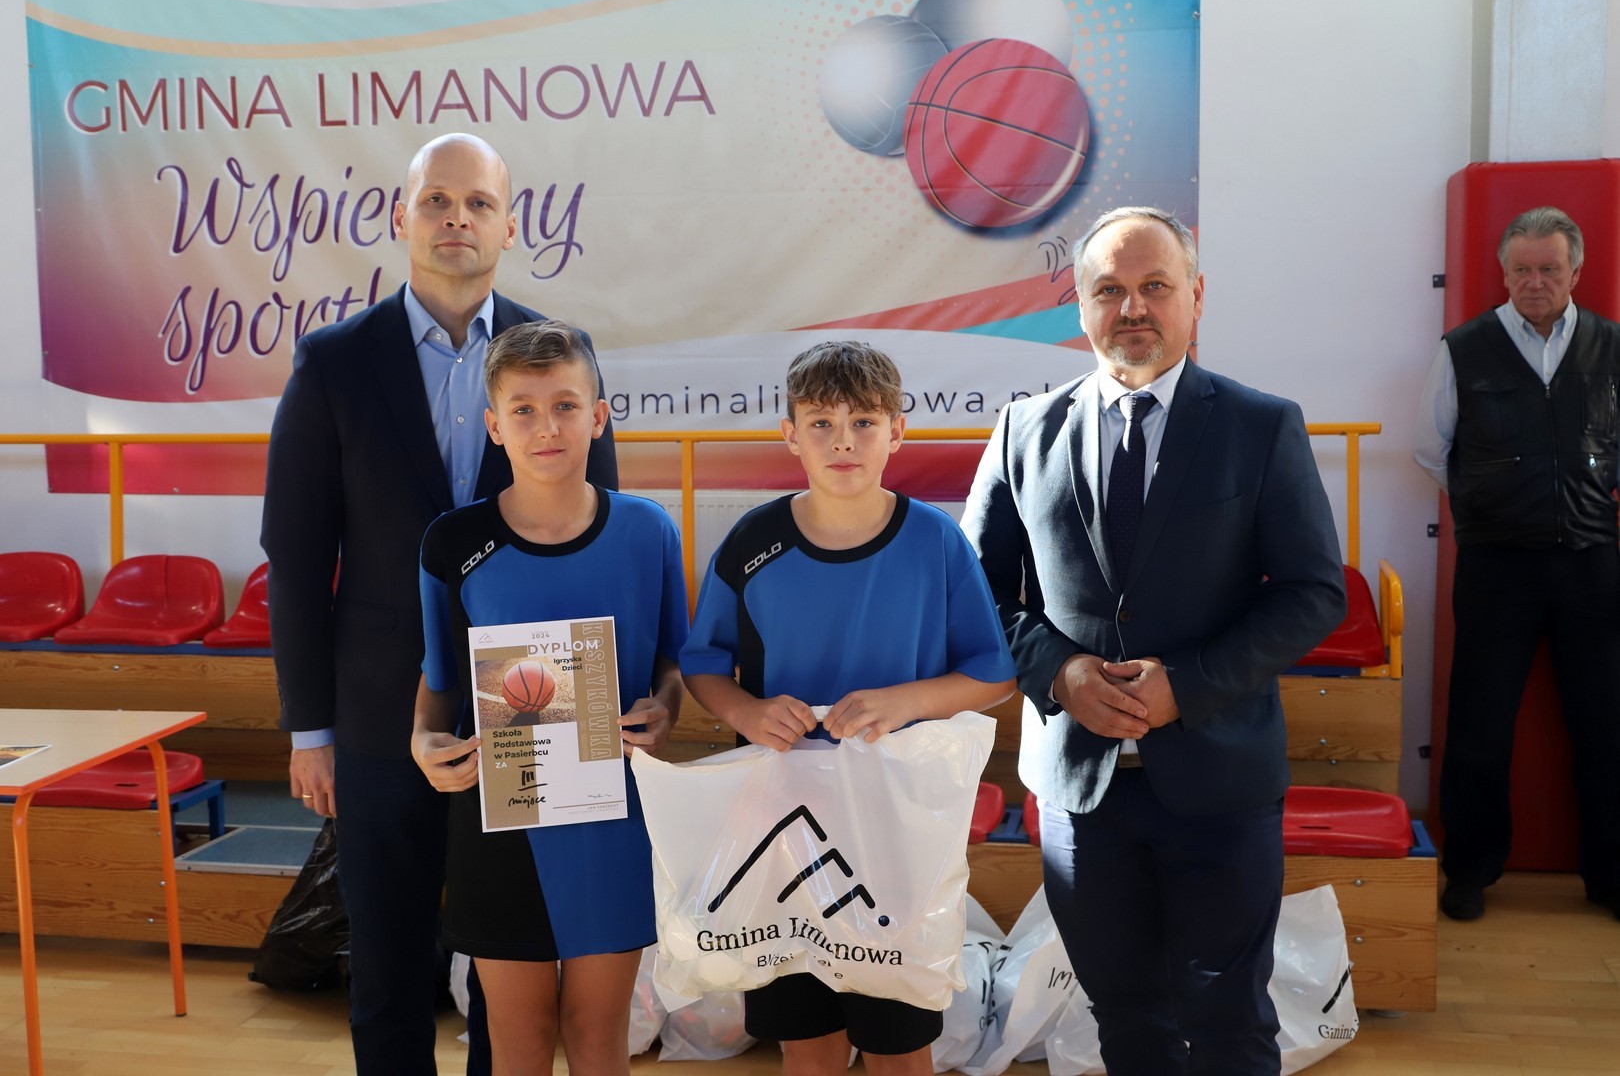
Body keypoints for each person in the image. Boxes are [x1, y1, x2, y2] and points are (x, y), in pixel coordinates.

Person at [260, 133, 617, 1075]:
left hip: (534, 708)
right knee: (387, 967)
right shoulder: (334, 362)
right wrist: (310, 731)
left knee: (513, 972)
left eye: (479, 203)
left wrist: (611, 709)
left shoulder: (560, 356)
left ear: (509, 225)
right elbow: (295, 559)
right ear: (402, 217)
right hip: (379, 718)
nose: (457, 218)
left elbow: (603, 537)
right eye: (437, 201)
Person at [962, 206, 1345, 1075]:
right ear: (1081, 306)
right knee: (1125, 1023)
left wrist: (1189, 683)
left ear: (1196, 297)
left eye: (1155, 286)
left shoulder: (1260, 426)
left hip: (1221, 784)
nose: (1132, 308)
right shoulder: (1024, 431)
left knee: (1230, 1026)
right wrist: (1058, 672)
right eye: (1109, 290)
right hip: (1080, 794)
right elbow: (973, 593)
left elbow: (1313, 593)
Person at [680, 340, 1016, 1075]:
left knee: (899, 1042)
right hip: (781, 828)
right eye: (822, 423)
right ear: (789, 434)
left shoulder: (935, 541)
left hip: (897, 830)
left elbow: (994, 671)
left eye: (863, 422)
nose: (843, 441)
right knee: (807, 1042)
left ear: (897, 431)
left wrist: (907, 701)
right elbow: (704, 663)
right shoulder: (754, 541)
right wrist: (747, 713)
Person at [411, 319, 686, 1076]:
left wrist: (665, 708)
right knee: (519, 1041)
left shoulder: (648, 531)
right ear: (494, 426)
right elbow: (437, 684)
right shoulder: (452, 543)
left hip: (611, 815)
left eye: (565, 405)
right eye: (524, 410)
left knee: (600, 1037)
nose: (547, 426)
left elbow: (672, 665)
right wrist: (423, 743)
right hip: (501, 822)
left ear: (598, 416)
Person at [1414, 205, 1620, 924]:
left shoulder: (1611, 347)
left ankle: (1611, 874)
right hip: (1496, 567)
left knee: (1606, 723)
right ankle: (1469, 870)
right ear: (1504, 272)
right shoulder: (1464, 349)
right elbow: (1431, 449)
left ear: (1575, 271)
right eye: (1522, 270)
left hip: (1592, 563)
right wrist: (1493, 508)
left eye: (1549, 269)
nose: (1536, 282)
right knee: (1480, 722)